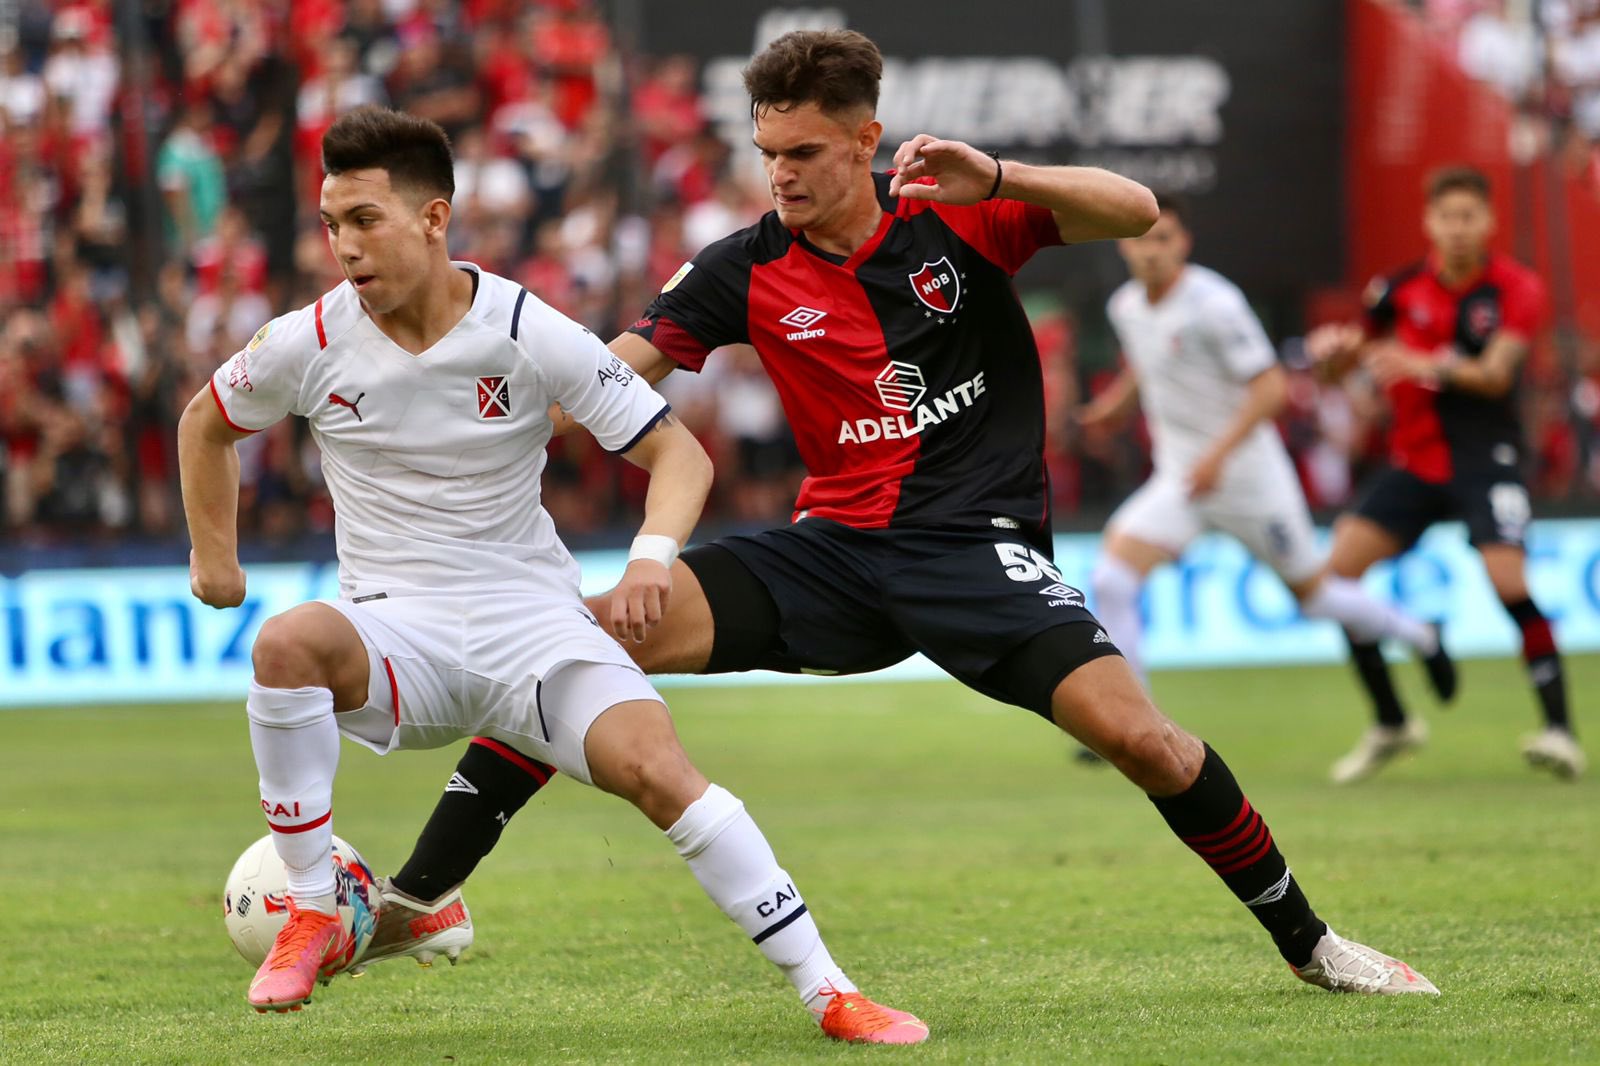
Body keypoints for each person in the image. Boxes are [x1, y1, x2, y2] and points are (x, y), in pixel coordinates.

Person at [374, 30, 1439, 997]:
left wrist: (1004, 174)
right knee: (584, 641)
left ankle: (1313, 944)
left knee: (1144, 739)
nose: (780, 174)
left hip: (977, 549)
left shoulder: (954, 214)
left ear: (864, 141)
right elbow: (606, 381)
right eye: (767, 152)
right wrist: (474, 422)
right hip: (831, 553)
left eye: (802, 152)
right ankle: (416, 902)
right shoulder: (744, 267)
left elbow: (1135, 210)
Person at [177, 105, 927, 1044]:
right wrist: (217, 559)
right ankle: (317, 908)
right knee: (284, 643)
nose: (345, 247)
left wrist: (652, 559)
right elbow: (204, 424)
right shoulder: (307, 339)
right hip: (391, 630)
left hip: (531, 625)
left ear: (434, 219)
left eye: (365, 220)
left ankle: (830, 994)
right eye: (332, 224)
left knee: (660, 771)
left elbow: (680, 456)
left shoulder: (528, 330)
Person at [1079, 195, 1455, 703]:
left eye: (1163, 238)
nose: (1152, 251)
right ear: (1122, 244)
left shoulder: (1215, 305)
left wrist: (1217, 456)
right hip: (1182, 480)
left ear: (1184, 243)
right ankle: (1130, 713)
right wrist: (1113, 407)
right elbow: (1147, 364)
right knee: (1112, 580)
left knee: (1315, 598)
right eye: (1142, 240)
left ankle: (1420, 633)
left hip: (1247, 479)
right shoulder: (1125, 306)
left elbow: (1272, 388)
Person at [1307, 165, 1584, 783]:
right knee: (1334, 586)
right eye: (1446, 217)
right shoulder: (1395, 292)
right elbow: (1351, 369)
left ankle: (1561, 732)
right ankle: (1392, 722)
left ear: (1488, 223)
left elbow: (1495, 376)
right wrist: (1331, 360)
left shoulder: (1516, 288)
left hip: (1487, 460)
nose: (1457, 229)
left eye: (1469, 217)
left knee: (1508, 583)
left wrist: (1422, 361)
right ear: (1428, 222)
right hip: (1414, 459)